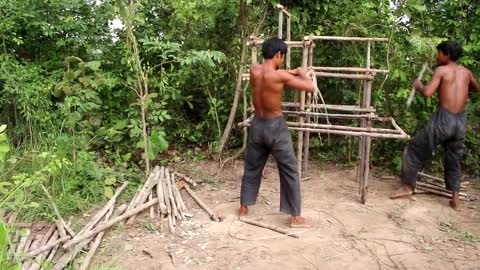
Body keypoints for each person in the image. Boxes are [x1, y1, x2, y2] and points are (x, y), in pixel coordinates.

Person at [391, 41, 480, 209]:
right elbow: (477, 88)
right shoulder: (466, 72)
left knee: (414, 149)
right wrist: (464, 92)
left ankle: (407, 186)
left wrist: (418, 86)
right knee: (454, 158)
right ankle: (455, 199)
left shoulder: (441, 70)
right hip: (460, 121)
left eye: (438, 52)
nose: (436, 56)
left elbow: (427, 92)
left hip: (444, 120)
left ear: (446, 54)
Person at [238, 37, 315, 227]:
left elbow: (273, 71)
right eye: (282, 57)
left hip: (257, 125)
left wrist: (292, 71)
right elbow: (310, 87)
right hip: (275, 127)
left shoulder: (254, 70)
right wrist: (303, 73)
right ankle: (295, 216)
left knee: (252, 167)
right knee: (289, 169)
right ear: (278, 54)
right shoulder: (280, 77)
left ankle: (244, 207)